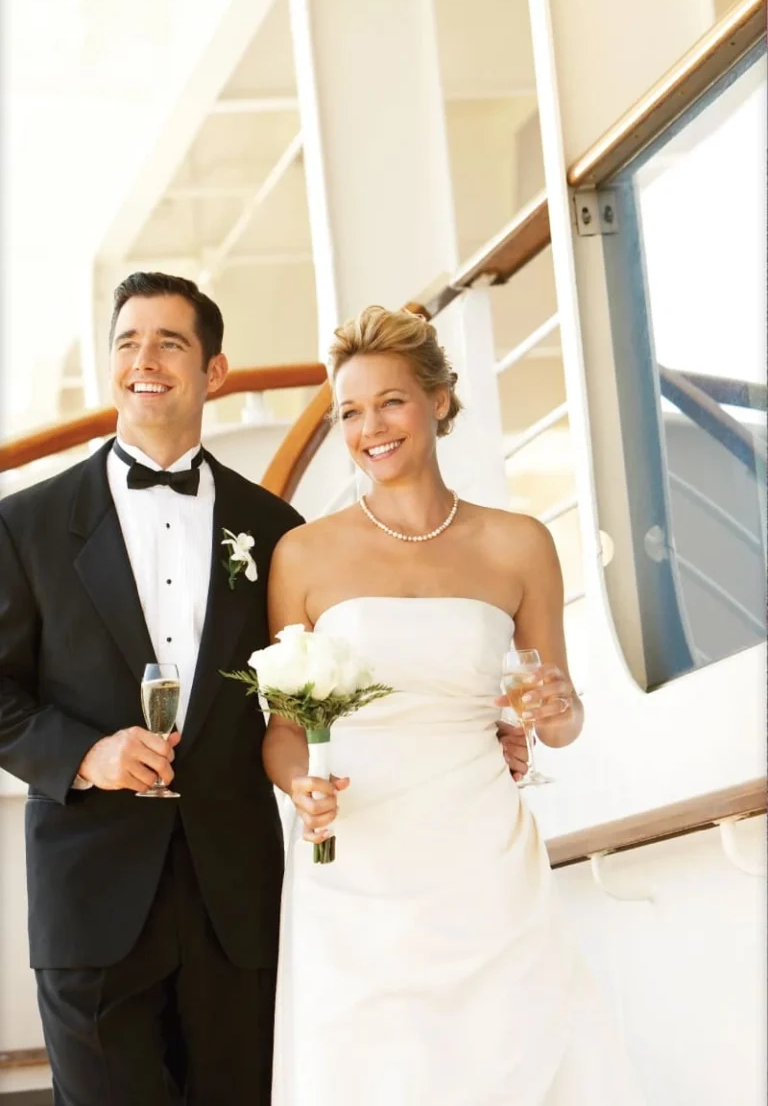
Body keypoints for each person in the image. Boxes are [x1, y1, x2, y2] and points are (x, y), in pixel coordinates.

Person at [263, 306, 644, 1105]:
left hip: (481, 855)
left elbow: (560, 722)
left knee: (509, 1055)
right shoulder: (303, 554)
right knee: (373, 1068)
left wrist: (559, 711)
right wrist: (301, 787)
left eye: (391, 401)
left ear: (438, 400)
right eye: (350, 412)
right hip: (356, 857)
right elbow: (285, 733)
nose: (371, 428)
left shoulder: (519, 543)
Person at [0, 272, 304, 1105]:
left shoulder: (277, 530)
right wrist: (88, 755)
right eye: (128, 341)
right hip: (89, 898)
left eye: (171, 342)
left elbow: (302, 697)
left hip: (232, 899)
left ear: (217, 372)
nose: (146, 359)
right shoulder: (22, 525)